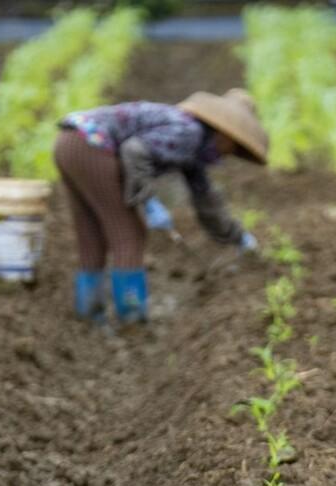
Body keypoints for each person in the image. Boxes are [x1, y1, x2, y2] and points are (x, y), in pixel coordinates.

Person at [54, 89, 267, 323]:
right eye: (233, 147)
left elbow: (206, 203)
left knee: (91, 231)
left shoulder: (192, 145)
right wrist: (148, 202)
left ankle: (89, 316)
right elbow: (133, 151)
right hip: (92, 145)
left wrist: (238, 237)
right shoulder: (189, 133)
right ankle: (132, 320)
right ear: (225, 135)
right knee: (129, 234)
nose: (230, 154)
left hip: (69, 141)